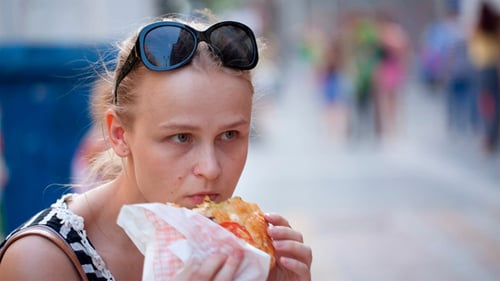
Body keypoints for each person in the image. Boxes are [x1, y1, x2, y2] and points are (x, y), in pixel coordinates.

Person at [0, 14, 312, 281]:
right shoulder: (41, 261)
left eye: (230, 135)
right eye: (181, 137)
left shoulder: (230, 242)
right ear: (119, 134)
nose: (211, 168)